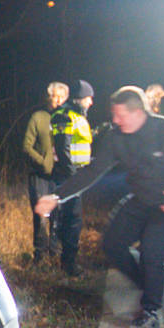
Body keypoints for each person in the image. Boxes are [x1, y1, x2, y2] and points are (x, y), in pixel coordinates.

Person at [35, 86, 164, 328]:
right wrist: (57, 196)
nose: (115, 120)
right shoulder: (117, 137)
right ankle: (150, 284)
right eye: (113, 115)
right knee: (112, 244)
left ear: (138, 112)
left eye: (120, 115)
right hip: (142, 199)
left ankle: (150, 313)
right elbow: (92, 172)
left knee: (151, 253)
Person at [49, 80, 96, 273]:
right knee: (72, 219)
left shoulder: (77, 116)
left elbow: (78, 144)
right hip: (70, 177)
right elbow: (63, 148)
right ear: (79, 99)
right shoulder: (65, 116)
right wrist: (72, 177)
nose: (91, 102)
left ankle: (68, 260)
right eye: (88, 98)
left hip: (76, 175)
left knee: (72, 219)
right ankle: (68, 264)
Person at [20, 83, 67, 260]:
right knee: (41, 216)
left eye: (62, 97)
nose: (58, 100)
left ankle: (55, 254)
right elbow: (26, 146)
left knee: (58, 215)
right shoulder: (38, 118)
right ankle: (40, 255)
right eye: (55, 96)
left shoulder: (66, 118)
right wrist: (42, 162)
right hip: (39, 176)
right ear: (48, 97)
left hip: (60, 175)